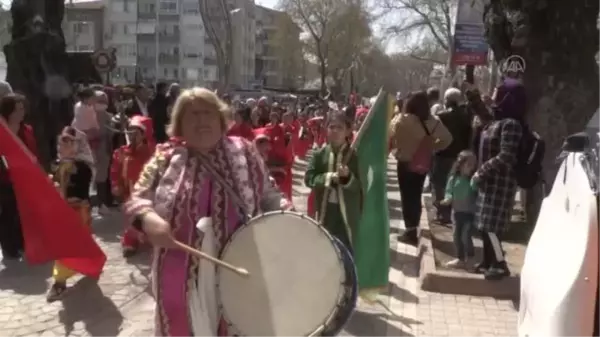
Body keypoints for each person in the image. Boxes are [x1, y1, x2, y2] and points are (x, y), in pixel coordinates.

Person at [123, 87, 291, 337]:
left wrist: (289, 218)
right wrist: (148, 219)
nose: (201, 121)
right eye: (192, 115)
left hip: (239, 264)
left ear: (221, 119)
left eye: (207, 113)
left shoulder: (246, 151)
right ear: (179, 123)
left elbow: (270, 195)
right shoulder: (165, 156)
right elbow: (137, 198)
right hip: (180, 269)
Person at [472, 79, 524, 280]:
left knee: (492, 226)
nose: (493, 97)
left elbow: (506, 155)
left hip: (500, 184)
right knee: (484, 224)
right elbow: (482, 114)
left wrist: (482, 171)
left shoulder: (511, 124)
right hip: (489, 183)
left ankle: (500, 263)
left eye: (497, 93)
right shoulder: (497, 120)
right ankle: (487, 261)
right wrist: (473, 95)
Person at [390, 91, 452, 245]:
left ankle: (409, 231)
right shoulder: (433, 122)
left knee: (406, 197)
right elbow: (448, 139)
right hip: (421, 163)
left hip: (404, 162)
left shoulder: (401, 120)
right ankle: (414, 228)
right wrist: (433, 147)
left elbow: (391, 135)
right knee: (416, 196)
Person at [47, 126, 94, 302]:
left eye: (68, 142)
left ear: (76, 145)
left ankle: (60, 282)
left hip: (77, 213)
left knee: (72, 246)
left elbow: (81, 194)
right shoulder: (57, 165)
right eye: (61, 142)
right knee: (66, 248)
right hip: (61, 214)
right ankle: (62, 280)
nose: (63, 145)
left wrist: (61, 195)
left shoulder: (82, 167)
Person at [304, 111, 362, 251]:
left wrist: (348, 177)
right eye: (332, 127)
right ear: (326, 129)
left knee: (346, 253)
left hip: (347, 215)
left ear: (348, 131)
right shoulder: (319, 155)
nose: (335, 131)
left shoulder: (356, 157)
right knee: (325, 250)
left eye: (340, 127)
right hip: (325, 212)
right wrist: (329, 177)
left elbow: (362, 188)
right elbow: (309, 179)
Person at [110, 115, 155, 257]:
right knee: (130, 215)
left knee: (148, 214)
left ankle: (152, 239)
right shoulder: (121, 152)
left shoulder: (153, 152)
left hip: (148, 190)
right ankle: (130, 242)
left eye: (137, 132)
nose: (133, 135)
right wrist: (116, 183)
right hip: (129, 189)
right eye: (130, 131)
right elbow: (115, 169)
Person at [0, 93, 38, 260]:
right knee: (8, 212)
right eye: (17, 110)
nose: (21, 113)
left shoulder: (27, 130)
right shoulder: (2, 130)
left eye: (22, 109)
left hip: (24, 178)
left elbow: (33, 152)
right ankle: (10, 247)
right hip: (4, 179)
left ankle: (23, 243)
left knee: (23, 212)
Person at [432, 88, 473, 223]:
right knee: (455, 185)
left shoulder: (441, 116)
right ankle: (453, 213)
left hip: (442, 154)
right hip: (460, 156)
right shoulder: (467, 117)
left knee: (440, 185)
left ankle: (442, 214)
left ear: (447, 100)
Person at [440, 150, 477, 268]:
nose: (471, 168)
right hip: (456, 213)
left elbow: (476, 192)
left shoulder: (472, 180)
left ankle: (470, 258)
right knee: (456, 236)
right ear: (460, 164)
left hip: (469, 213)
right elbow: (449, 192)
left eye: (473, 165)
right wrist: (447, 199)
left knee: (466, 236)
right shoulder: (453, 179)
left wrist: (475, 183)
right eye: (468, 164)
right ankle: (460, 258)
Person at [93, 91, 114, 213]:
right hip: (90, 150)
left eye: (103, 101)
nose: (101, 104)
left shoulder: (108, 116)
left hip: (103, 150)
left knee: (102, 177)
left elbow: (111, 133)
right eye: (99, 101)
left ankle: (102, 203)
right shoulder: (87, 115)